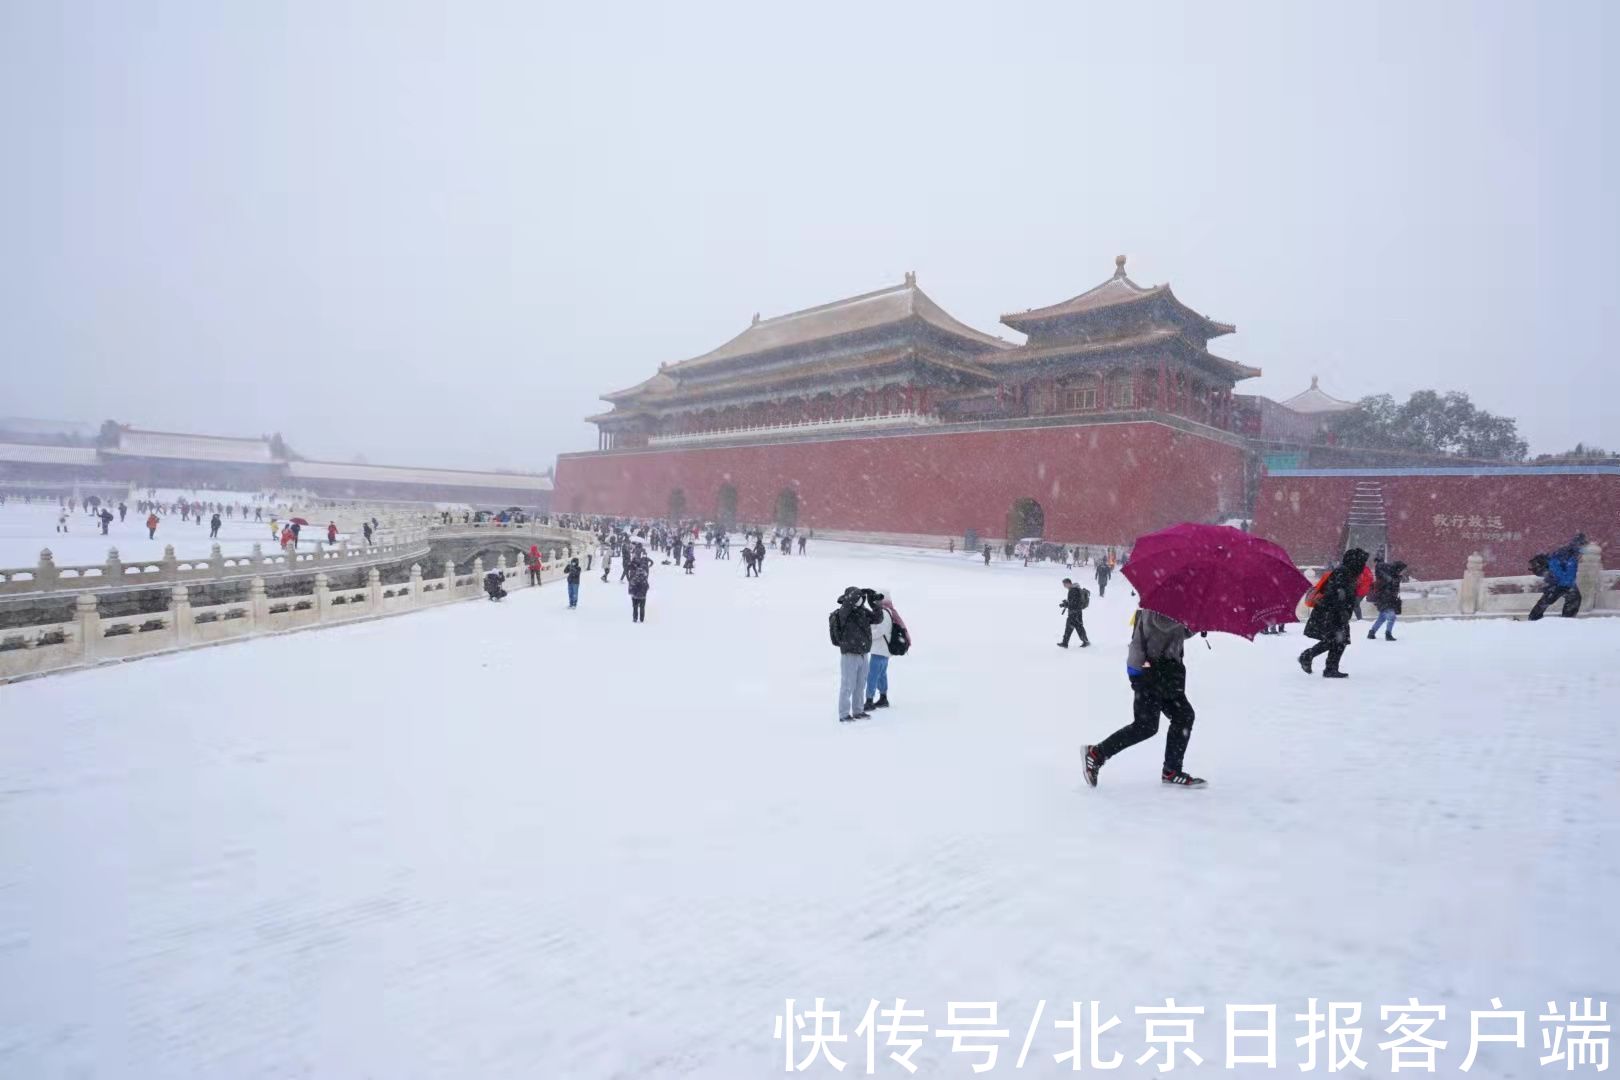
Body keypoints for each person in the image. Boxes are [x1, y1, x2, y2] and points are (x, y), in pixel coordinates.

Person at [1083, 609, 1204, 788]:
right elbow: (1162, 623)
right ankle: (1096, 754)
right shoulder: (1160, 604)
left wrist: (1196, 625)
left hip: (1167, 671)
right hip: (1146, 670)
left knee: (1183, 715)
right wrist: (1190, 616)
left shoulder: (1180, 603)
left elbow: (1180, 632)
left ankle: (1171, 770)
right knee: (1145, 726)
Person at [1299, 548, 1370, 678]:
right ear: (1355, 561)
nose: (1364, 565)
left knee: (1337, 641)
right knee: (1336, 640)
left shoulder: (1347, 572)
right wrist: (1342, 608)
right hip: (1332, 613)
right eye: (1362, 561)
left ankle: (1325, 665)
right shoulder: (1342, 572)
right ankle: (1312, 659)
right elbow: (1334, 594)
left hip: (1336, 613)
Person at [830, 587, 884, 722]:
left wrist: (874, 602)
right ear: (851, 598)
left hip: (863, 654)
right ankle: (843, 714)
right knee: (848, 685)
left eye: (862, 598)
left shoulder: (862, 612)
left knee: (860, 685)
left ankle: (858, 710)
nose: (861, 600)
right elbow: (847, 605)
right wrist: (859, 592)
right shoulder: (842, 613)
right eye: (858, 598)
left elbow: (878, 619)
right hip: (849, 654)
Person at [863, 587, 907, 711]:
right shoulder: (890, 611)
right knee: (881, 674)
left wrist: (867, 633)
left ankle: (869, 700)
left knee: (872, 675)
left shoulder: (883, 612)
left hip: (879, 650)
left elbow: (880, 631)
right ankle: (883, 698)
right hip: (885, 650)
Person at [1528, 534, 1585, 620]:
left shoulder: (1568, 552)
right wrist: (1565, 584)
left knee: (1548, 600)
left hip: (1558, 582)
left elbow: (1557, 566)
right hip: (1559, 583)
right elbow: (1562, 569)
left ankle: (1534, 618)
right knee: (1551, 599)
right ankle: (1567, 619)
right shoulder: (1571, 555)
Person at [1367, 556, 1407, 641]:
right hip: (1385, 600)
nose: (1403, 572)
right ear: (1398, 569)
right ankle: (1388, 634)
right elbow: (1387, 588)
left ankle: (1372, 632)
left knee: (1382, 618)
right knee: (1392, 617)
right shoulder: (1389, 578)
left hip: (1386, 600)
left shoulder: (1394, 576)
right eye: (1402, 570)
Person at [1057, 578, 1091, 648]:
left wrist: (1065, 604)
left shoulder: (1073, 590)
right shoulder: (1075, 589)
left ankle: (1066, 643)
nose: (1064, 586)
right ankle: (1066, 643)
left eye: (1064, 584)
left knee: (1073, 627)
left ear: (1068, 583)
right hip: (1076, 612)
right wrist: (1066, 603)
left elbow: (1074, 603)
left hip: (1074, 613)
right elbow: (1074, 601)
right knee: (1074, 627)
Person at [628, 550, 651, 623]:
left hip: (635, 596)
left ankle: (635, 618)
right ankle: (641, 619)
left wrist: (631, 593)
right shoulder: (644, 579)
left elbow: (631, 586)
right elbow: (647, 587)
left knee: (635, 608)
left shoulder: (634, 578)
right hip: (643, 597)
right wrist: (644, 592)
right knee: (642, 608)